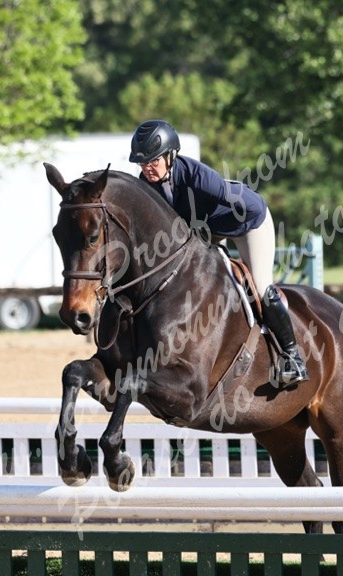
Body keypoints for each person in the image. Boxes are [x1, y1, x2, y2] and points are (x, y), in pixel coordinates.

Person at [128, 119, 308, 388]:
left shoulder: (198, 177)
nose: (147, 168)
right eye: (142, 163)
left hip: (246, 221)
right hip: (207, 227)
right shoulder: (146, 183)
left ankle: (292, 358)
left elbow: (228, 210)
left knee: (260, 286)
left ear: (170, 156)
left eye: (153, 161)